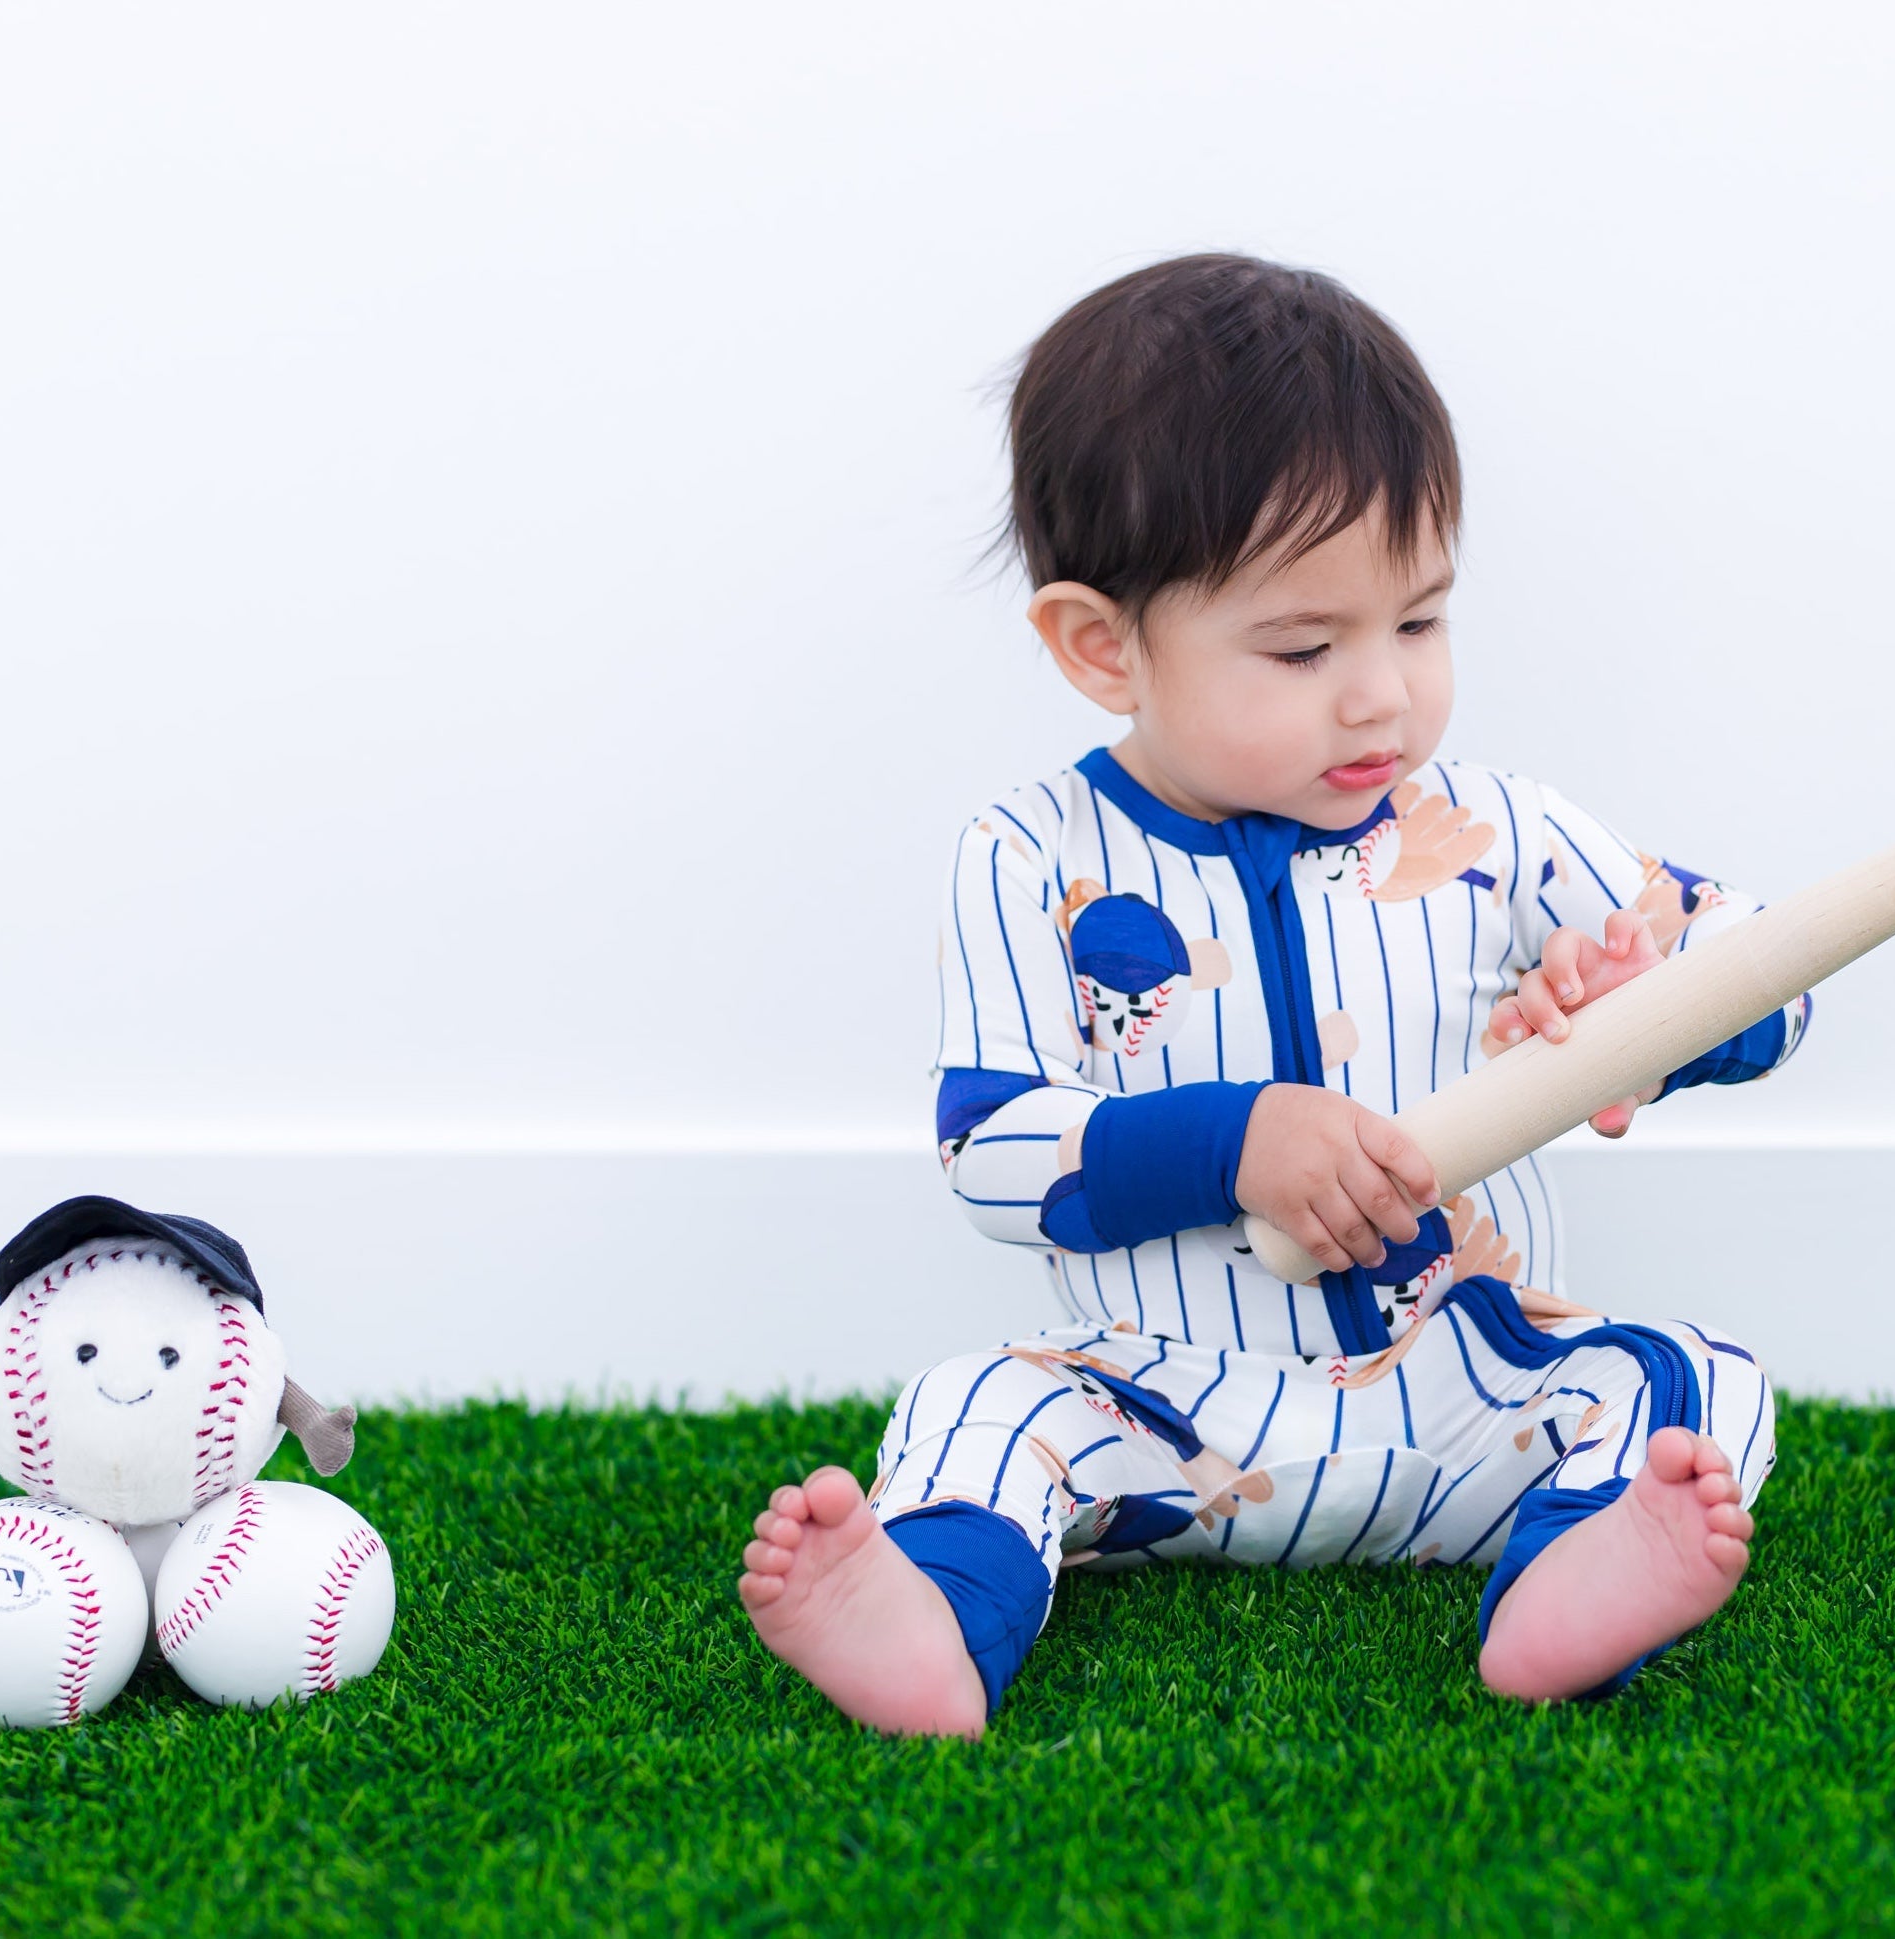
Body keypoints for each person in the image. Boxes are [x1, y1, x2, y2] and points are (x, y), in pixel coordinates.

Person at [738, 255, 1809, 1736]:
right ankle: (933, 1617)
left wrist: (1657, 999)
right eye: (1305, 648)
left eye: (1418, 624)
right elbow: (988, 1145)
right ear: (1100, 645)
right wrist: (1234, 1137)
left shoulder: (1499, 833)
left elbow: (1778, 962)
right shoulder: (1028, 855)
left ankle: (1570, 1583)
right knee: (975, 1411)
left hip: (1466, 1389)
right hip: (1161, 1420)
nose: (1381, 694)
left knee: (1696, 1383)